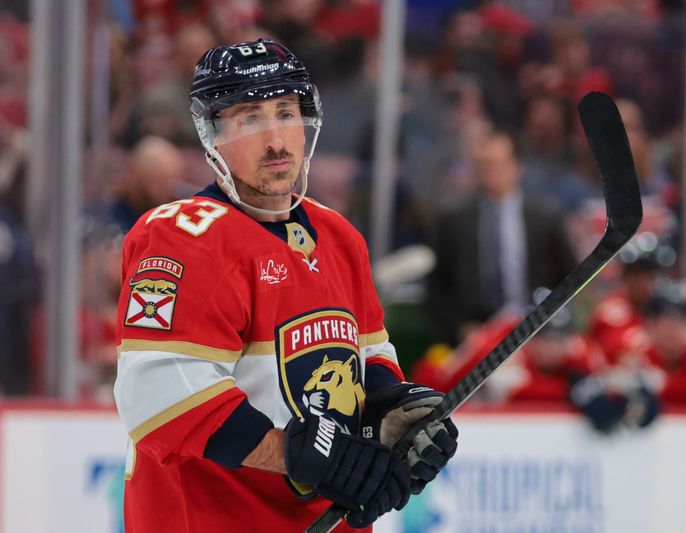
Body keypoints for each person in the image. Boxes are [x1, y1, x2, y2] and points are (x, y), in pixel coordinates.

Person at [113, 39, 459, 533]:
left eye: (285, 113)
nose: (276, 140)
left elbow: (369, 353)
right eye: (250, 119)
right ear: (213, 135)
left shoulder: (338, 236)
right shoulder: (180, 237)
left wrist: (389, 412)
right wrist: (302, 457)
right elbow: (159, 397)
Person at [426, 130, 577, 345]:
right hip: (476, 337)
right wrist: (460, 329)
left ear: (516, 167)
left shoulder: (545, 219)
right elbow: (437, 288)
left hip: (533, 332)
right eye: (483, 165)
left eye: (496, 164)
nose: (489, 172)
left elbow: (569, 279)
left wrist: (552, 325)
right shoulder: (454, 222)